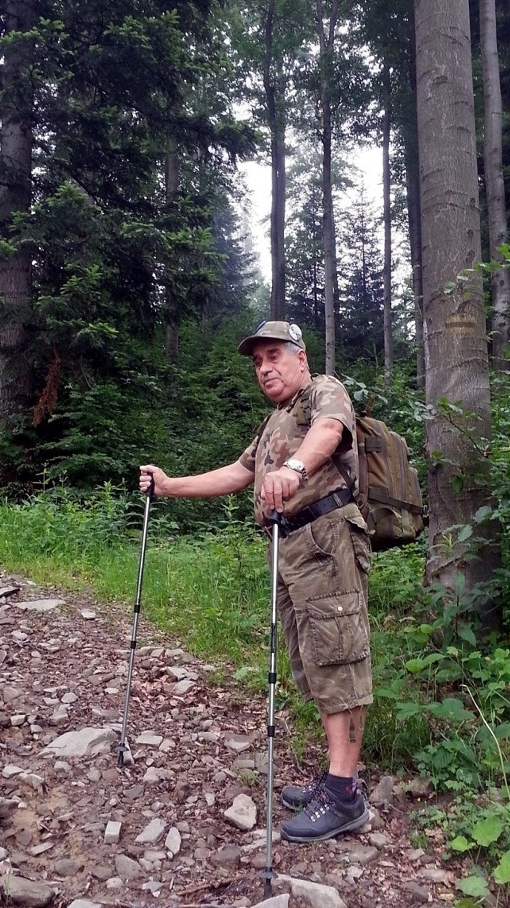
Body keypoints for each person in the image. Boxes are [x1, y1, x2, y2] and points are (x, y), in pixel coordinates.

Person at [139, 319, 373, 843]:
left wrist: (293, 469)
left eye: (274, 356)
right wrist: (171, 485)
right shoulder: (274, 421)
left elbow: (330, 432)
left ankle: (344, 796)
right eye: (257, 362)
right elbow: (238, 473)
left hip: (326, 540)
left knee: (339, 659)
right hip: (290, 549)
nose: (265, 368)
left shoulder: (322, 392)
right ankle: (338, 778)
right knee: (314, 664)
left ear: (300, 357)